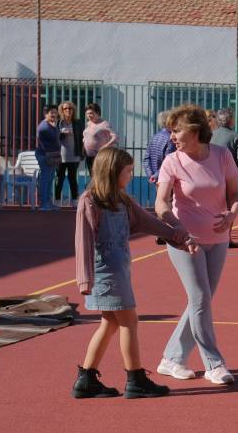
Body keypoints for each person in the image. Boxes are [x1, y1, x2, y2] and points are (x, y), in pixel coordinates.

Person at [73, 147, 197, 399]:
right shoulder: (90, 201)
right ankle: (135, 378)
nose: (131, 176)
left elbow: (147, 222)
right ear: (112, 171)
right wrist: (84, 279)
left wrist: (177, 235)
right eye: (128, 171)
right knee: (129, 321)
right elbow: (83, 241)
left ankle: (86, 378)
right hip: (106, 273)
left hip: (119, 270)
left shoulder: (123, 201)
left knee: (109, 323)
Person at [155, 104, 238, 386]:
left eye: (176, 130)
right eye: (171, 131)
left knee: (200, 302)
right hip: (185, 243)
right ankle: (214, 364)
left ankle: (171, 359)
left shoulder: (221, 154)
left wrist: (232, 215)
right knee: (201, 300)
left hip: (217, 240)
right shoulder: (172, 161)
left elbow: (235, 194)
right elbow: (160, 203)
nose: (172, 137)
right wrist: (177, 228)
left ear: (194, 131)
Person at [210, 108, 238, 248]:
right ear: (231, 120)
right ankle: (227, 237)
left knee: (212, 207)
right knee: (230, 206)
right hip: (229, 177)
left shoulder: (210, 135)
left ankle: (211, 236)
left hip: (211, 176)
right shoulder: (235, 136)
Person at [54, 100, 84, 206]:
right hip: (60, 156)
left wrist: (82, 152)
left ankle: (75, 201)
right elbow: (54, 137)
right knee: (59, 178)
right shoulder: (58, 122)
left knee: (73, 179)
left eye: (70, 108)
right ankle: (57, 200)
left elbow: (82, 137)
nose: (68, 110)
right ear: (61, 110)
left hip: (74, 155)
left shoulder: (78, 122)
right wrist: (62, 133)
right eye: (65, 108)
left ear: (73, 110)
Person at [82, 102, 119, 177]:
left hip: (99, 156)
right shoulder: (89, 124)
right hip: (89, 156)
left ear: (97, 113)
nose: (89, 116)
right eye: (87, 114)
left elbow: (115, 137)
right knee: (92, 176)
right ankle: (95, 189)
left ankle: (100, 189)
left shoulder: (104, 124)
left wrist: (106, 146)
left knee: (99, 177)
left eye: (91, 113)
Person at [35, 105, 61, 211]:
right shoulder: (44, 127)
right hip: (45, 155)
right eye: (52, 113)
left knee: (50, 179)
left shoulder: (50, 125)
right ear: (46, 114)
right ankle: (44, 203)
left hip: (51, 155)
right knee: (45, 179)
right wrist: (56, 128)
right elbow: (55, 138)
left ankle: (49, 203)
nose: (54, 115)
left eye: (55, 112)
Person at [143, 111, 176, 187]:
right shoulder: (171, 139)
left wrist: (151, 175)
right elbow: (168, 161)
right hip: (167, 178)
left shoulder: (154, 137)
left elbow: (146, 159)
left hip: (156, 178)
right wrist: (156, 175)